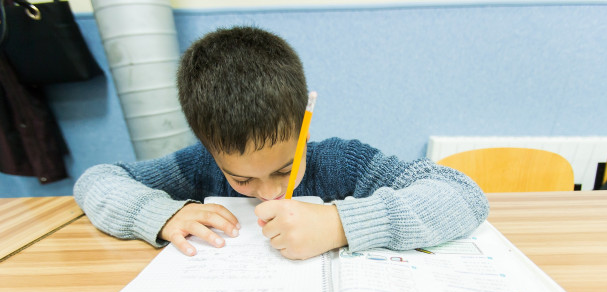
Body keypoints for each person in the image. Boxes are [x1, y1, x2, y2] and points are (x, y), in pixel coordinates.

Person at [74, 26, 489, 260]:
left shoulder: (343, 162)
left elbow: (463, 195)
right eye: (241, 180)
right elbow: (97, 180)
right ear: (210, 150)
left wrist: (339, 224)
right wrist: (161, 214)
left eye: (285, 169)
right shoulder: (197, 165)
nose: (271, 192)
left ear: (303, 125)